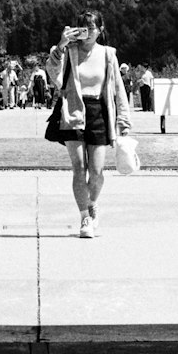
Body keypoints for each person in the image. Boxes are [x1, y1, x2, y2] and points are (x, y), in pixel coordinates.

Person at [44, 17, 126, 237]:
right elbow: (54, 75)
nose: (87, 32)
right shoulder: (68, 51)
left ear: (100, 30)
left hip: (99, 110)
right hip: (73, 110)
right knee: (79, 167)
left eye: (91, 28)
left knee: (97, 171)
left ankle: (92, 204)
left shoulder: (108, 54)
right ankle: (85, 217)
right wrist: (61, 45)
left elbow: (118, 88)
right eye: (83, 28)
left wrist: (124, 122)